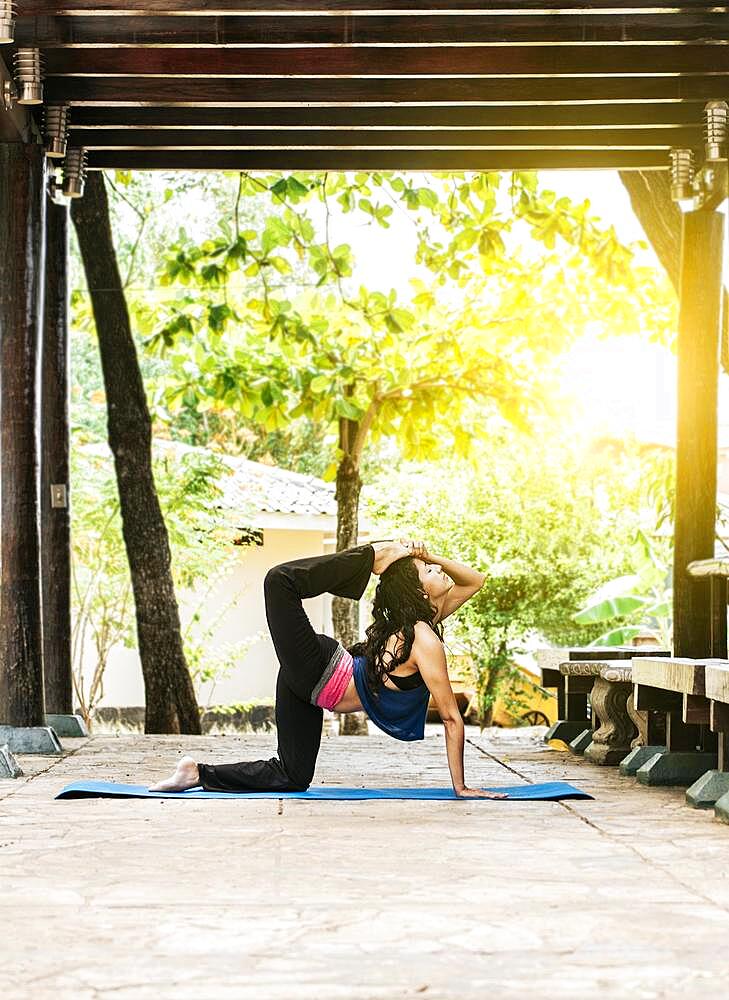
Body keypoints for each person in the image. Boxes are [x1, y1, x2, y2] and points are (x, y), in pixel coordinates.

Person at [149, 538, 507, 799]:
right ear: (420, 592)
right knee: (280, 581)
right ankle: (371, 557)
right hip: (317, 668)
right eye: (429, 569)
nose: (439, 568)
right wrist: (460, 787)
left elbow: (475, 580)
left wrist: (425, 554)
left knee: (292, 775)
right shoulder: (422, 637)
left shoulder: (422, 626)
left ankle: (195, 774)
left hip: (311, 688)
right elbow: (450, 717)